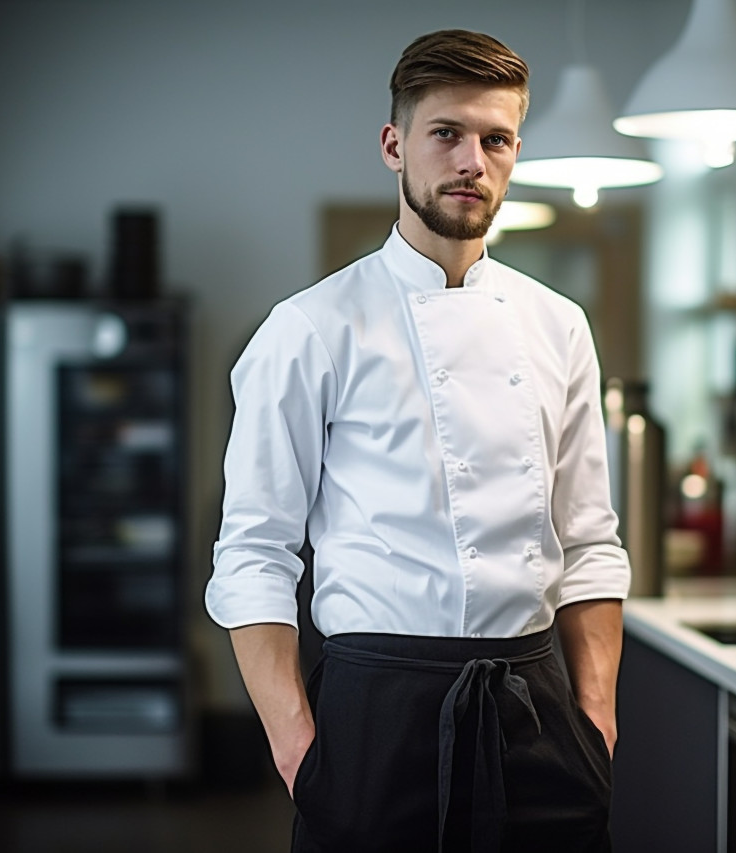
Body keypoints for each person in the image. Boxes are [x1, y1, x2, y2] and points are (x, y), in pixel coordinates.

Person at [206, 28, 631, 853]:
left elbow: (588, 540)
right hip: (374, 714)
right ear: (395, 145)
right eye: (447, 134)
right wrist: (297, 745)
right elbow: (254, 552)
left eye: (496, 138)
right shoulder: (308, 329)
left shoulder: (558, 325)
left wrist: (597, 719)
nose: (472, 159)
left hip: (537, 711)